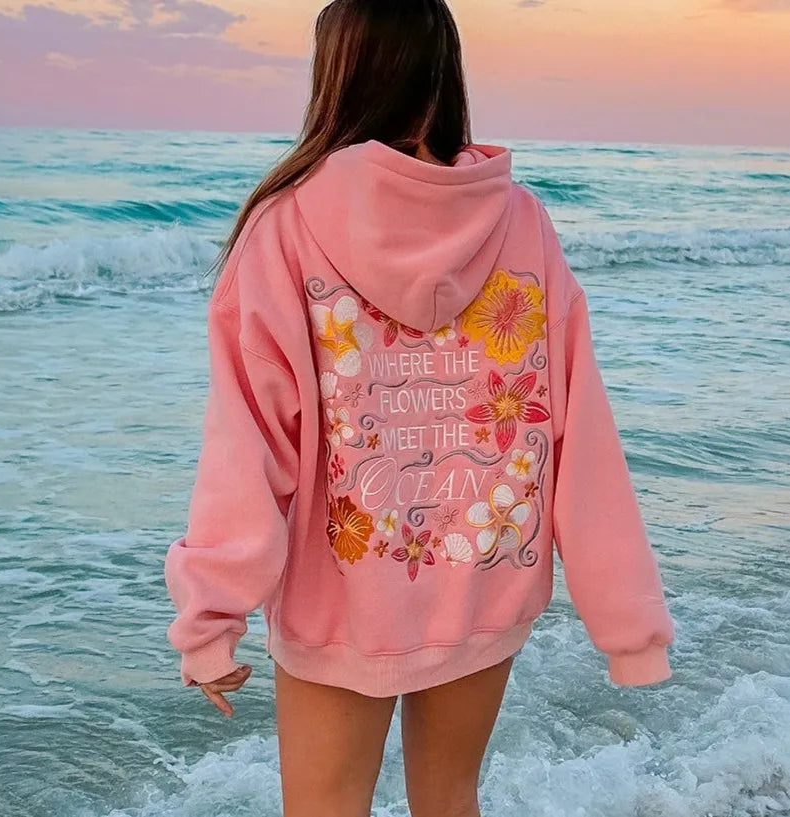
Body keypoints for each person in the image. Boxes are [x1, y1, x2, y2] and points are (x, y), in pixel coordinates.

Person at [164, 1, 676, 815]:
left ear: (337, 77)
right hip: (485, 578)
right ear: (443, 71)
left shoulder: (285, 225)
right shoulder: (518, 220)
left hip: (343, 601)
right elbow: (579, 431)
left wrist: (209, 616)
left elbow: (248, 443)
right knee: (448, 797)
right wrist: (629, 622)